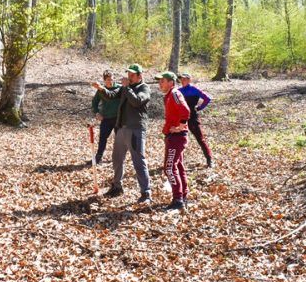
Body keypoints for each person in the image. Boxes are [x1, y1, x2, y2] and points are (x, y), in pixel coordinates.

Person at [91, 64, 152, 204]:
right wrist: (101, 88)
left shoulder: (144, 88)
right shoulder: (125, 88)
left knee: (138, 161)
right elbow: (112, 95)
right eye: (128, 74)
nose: (129, 77)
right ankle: (117, 187)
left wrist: (127, 88)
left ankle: (146, 193)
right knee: (117, 159)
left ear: (139, 76)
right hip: (121, 129)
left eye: (132, 75)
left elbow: (137, 102)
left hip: (136, 129)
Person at [156, 71, 191, 211]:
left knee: (169, 168)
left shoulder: (175, 94)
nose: (160, 83)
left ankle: (178, 199)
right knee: (178, 166)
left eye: (162, 81)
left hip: (177, 137)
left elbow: (186, 111)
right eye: (159, 81)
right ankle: (183, 195)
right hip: (174, 137)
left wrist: (180, 126)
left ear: (171, 82)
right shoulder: (169, 95)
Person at [178, 72, 214, 168]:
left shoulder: (194, 89)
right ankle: (177, 161)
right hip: (181, 118)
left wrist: (199, 108)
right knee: (178, 140)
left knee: (200, 139)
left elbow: (207, 99)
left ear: (189, 80)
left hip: (193, 117)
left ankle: (209, 159)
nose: (182, 81)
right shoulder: (178, 91)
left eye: (185, 79)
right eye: (181, 79)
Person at [91, 70, 120, 164]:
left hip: (118, 118)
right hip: (106, 118)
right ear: (104, 80)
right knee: (102, 138)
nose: (110, 81)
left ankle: (118, 158)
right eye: (108, 79)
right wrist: (96, 113)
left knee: (119, 139)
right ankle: (98, 158)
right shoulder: (100, 90)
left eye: (111, 79)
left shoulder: (119, 88)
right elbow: (94, 102)